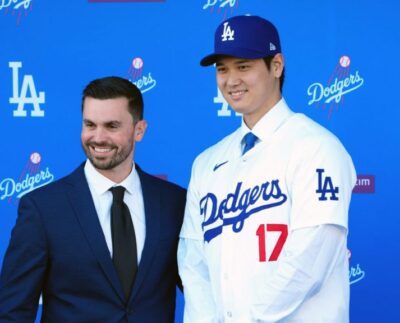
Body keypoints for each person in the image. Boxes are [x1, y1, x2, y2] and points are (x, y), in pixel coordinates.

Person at [178, 15, 356, 323]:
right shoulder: (207, 162)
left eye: (243, 66)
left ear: (276, 65)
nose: (230, 80)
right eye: (222, 69)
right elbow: (194, 264)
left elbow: (310, 258)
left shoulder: (316, 147)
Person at [0, 76, 186, 322]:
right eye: (90, 125)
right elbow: (13, 312)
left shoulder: (174, 203)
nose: (98, 138)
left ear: (139, 130)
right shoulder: (43, 209)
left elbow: (204, 286)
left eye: (111, 126)